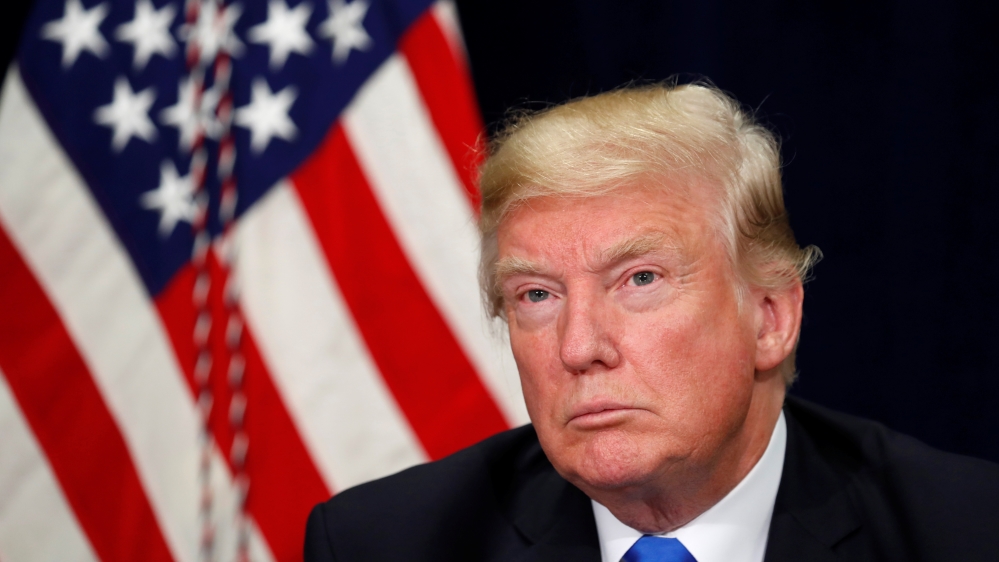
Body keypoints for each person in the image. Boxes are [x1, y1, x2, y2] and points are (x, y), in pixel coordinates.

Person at [304, 83, 999, 561]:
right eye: (537, 296)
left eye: (638, 280)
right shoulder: (386, 543)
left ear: (769, 317)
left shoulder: (964, 533)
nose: (578, 348)